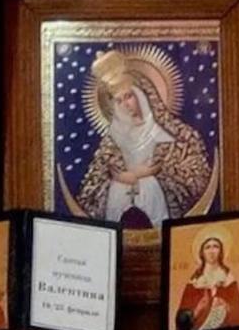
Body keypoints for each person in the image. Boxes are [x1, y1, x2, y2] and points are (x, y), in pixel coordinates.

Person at [76, 51, 212, 229]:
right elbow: (91, 191)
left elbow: (195, 178)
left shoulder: (178, 134)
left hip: (163, 220)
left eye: (129, 96)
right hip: (118, 215)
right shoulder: (110, 144)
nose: (126, 105)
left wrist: (144, 175)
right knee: (118, 189)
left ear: (144, 94)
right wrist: (119, 179)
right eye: (118, 101)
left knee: (149, 185)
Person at [175, 231, 239, 330]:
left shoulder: (228, 279)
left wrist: (226, 305)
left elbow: (238, 312)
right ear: (202, 252)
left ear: (221, 251)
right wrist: (198, 309)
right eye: (207, 247)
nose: (212, 251)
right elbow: (182, 320)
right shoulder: (195, 281)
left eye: (216, 247)